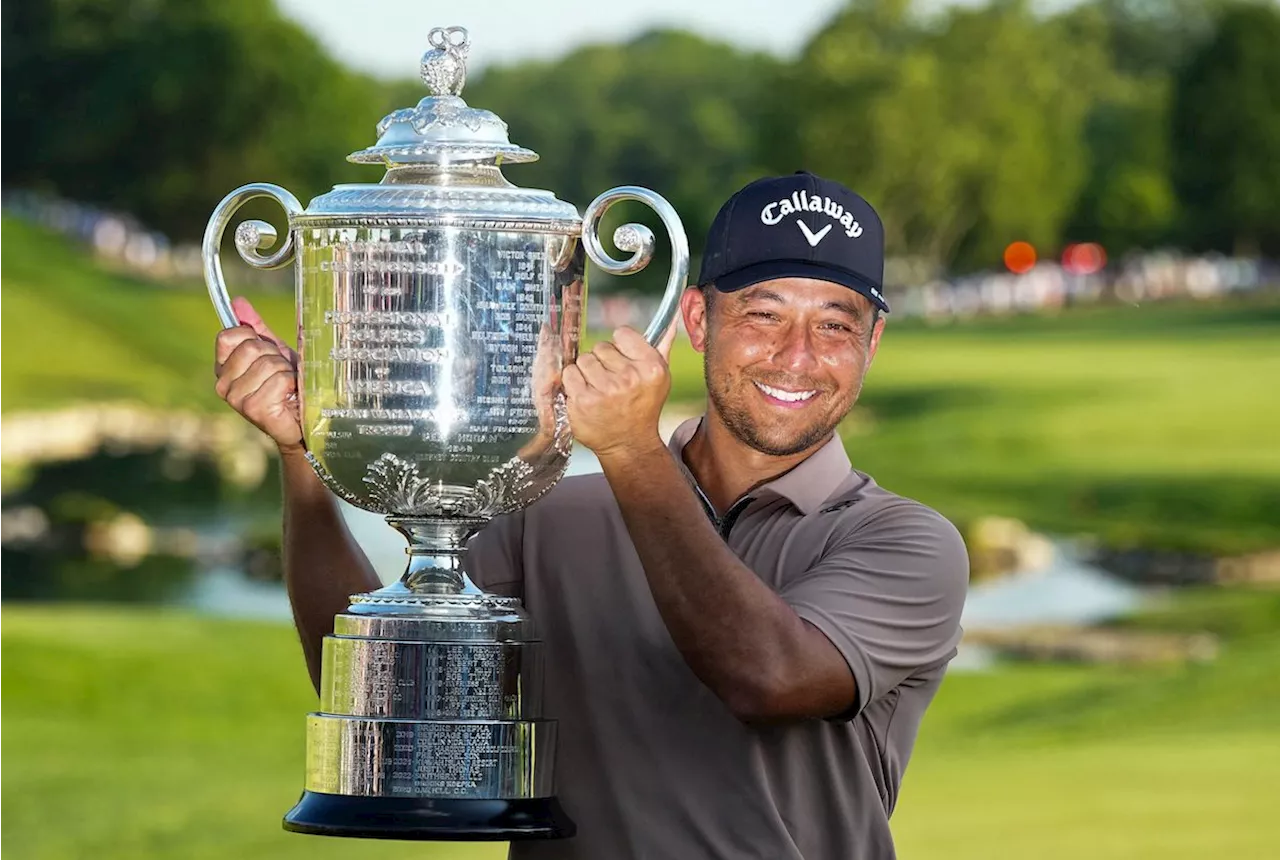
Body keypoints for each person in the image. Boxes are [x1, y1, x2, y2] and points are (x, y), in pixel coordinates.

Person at [214, 172, 969, 860]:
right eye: (763, 315)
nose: (797, 355)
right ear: (699, 321)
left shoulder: (908, 543)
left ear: (872, 343)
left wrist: (631, 451)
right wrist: (300, 461)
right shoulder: (550, 515)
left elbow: (767, 678)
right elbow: (388, 699)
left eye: (835, 325)